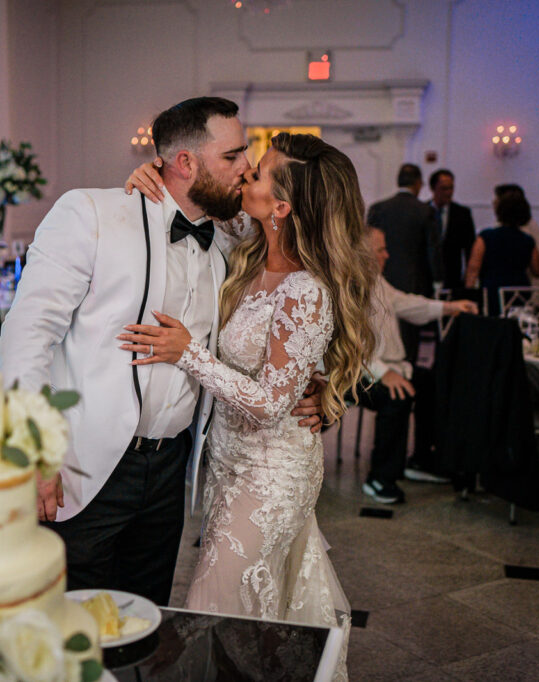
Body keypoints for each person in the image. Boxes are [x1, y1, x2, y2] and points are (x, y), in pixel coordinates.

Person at [0, 97, 323, 607]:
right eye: (234, 156)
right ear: (186, 163)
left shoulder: (231, 235)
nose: (246, 169)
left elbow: (301, 300)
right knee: (71, 623)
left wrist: (318, 384)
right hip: (87, 465)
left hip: (174, 468)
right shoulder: (91, 213)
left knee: (145, 616)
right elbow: (27, 334)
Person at [121, 133, 379, 681]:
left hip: (271, 472)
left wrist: (186, 354)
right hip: (228, 461)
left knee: (213, 602)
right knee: (250, 612)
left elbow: (268, 405)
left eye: (257, 174)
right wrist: (158, 171)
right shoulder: (245, 242)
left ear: (281, 206)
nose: (244, 177)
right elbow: (197, 196)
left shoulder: (306, 290)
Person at [360, 228, 478, 504]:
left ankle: (422, 458)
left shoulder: (378, 282)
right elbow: (348, 346)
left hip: (388, 366)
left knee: (431, 383)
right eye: (381, 249)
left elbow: (407, 304)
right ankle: (380, 478)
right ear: (363, 253)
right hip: (357, 371)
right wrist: (383, 373)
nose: (386, 254)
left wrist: (448, 307)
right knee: (396, 395)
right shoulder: (348, 286)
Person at [367, 164, 442, 362]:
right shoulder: (424, 211)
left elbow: (365, 242)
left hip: (381, 279)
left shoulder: (378, 208)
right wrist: (438, 282)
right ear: (418, 184)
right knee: (410, 343)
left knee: (378, 335)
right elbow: (432, 250)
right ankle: (405, 374)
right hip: (413, 283)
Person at [465, 192, 539, 315]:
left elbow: (473, 269)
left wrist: (468, 295)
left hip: (492, 293)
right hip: (519, 294)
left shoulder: (486, 237)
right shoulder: (527, 240)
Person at [429, 169, 475, 291]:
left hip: (452, 276)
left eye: (451, 188)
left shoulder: (462, 213)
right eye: (444, 188)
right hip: (427, 275)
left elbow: (469, 247)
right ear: (433, 188)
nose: (449, 193)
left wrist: (469, 277)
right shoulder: (422, 211)